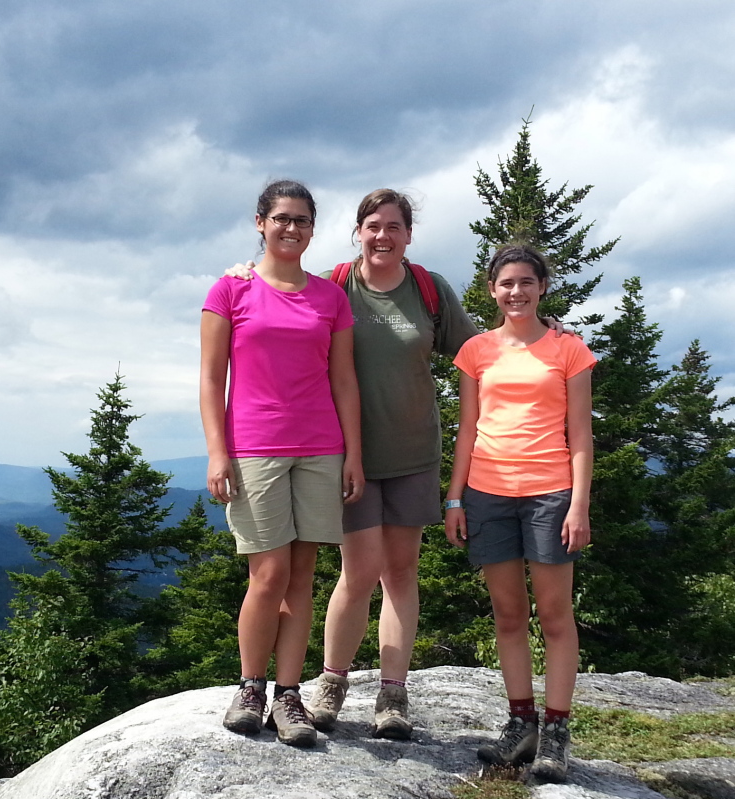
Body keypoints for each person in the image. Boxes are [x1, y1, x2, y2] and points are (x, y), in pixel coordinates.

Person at [226, 190, 574, 740]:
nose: (383, 235)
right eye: (372, 225)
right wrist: (245, 274)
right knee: (358, 572)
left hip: (414, 454)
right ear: (357, 232)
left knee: (401, 572)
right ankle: (332, 683)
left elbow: (482, 351)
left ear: (408, 235)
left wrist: (547, 335)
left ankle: (393, 694)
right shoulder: (335, 285)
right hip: (344, 457)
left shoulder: (429, 291)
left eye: (393, 226)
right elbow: (283, 295)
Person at [200, 179, 364, 749]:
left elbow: (344, 380)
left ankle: (288, 696)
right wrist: (218, 451)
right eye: (282, 218)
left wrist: (353, 455)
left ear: (313, 230)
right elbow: (210, 378)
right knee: (267, 575)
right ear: (261, 222)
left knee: (301, 578)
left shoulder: (330, 297)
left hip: (320, 447)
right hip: (255, 446)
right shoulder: (230, 290)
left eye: (302, 220)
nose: (292, 229)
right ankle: (251, 686)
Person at [445, 244, 595, 782]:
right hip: (487, 493)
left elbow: (580, 435)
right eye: (506, 283)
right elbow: (467, 428)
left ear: (542, 287)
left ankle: (555, 731)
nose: (516, 292)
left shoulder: (569, 350)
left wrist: (579, 504)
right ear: (492, 289)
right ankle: (521, 723)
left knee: (555, 616)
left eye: (526, 282)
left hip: (551, 493)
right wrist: (456, 498)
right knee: (508, 616)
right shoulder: (476, 352)